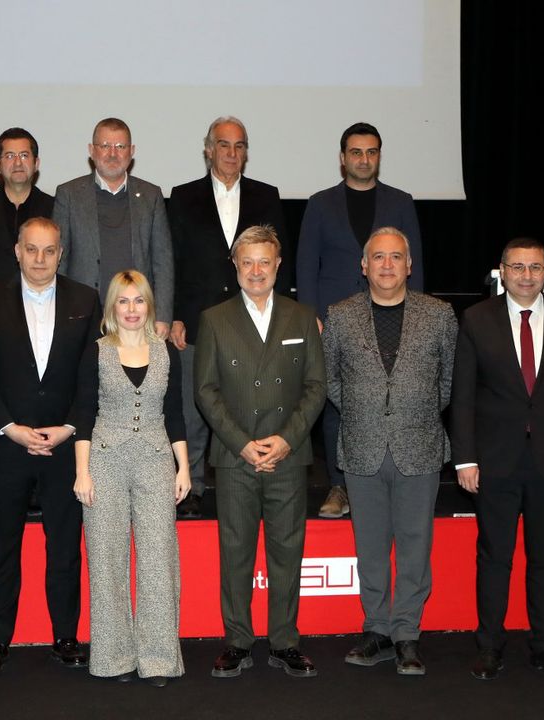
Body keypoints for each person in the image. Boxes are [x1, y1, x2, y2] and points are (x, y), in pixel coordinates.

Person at [452, 237, 544, 681]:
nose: (527, 275)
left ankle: (543, 645)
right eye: (518, 267)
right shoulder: (477, 319)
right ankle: (489, 646)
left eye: (535, 267)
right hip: (494, 460)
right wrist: (464, 459)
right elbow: (463, 395)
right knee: (494, 557)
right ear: (503, 271)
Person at [322, 228, 456, 675]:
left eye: (395, 257)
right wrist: (365, 412)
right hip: (361, 447)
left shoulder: (439, 315)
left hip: (419, 446)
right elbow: (331, 379)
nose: (386, 265)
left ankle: (406, 634)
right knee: (371, 548)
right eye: (378, 257)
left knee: (415, 546)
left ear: (409, 265)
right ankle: (377, 630)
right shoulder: (340, 316)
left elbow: (448, 382)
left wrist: (412, 412)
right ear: (364, 266)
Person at [195, 225, 326, 679]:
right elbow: (205, 390)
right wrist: (243, 444)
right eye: (247, 261)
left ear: (278, 265)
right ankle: (237, 641)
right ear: (235, 265)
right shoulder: (214, 319)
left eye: (264, 262)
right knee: (236, 551)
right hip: (236, 456)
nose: (256, 270)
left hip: (288, 454)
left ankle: (285, 641)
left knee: (288, 551)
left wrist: (286, 439)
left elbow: (316, 386)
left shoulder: (301, 317)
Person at [0, 217, 100, 675]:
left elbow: (91, 376)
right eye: (32, 249)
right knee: (1, 546)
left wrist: (70, 427)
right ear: (17, 251)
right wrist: (9, 427)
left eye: (49, 250)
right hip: (7, 444)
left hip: (66, 447)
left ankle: (65, 636)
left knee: (64, 547)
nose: (40, 259)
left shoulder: (85, 299)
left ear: (61, 253)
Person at [296, 122, 424, 519]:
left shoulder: (401, 202)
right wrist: (312, 317)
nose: (364, 159)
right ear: (343, 158)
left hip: (389, 315)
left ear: (379, 157)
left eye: (371, 152)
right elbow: (306, 264)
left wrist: (416, 317)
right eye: (356, 152)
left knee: (388, 396)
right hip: (334, 320)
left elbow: (415, 263)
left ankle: (389, 476)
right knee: (336, 401)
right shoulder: (320, 203)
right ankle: (339, 485)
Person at [73, 269, 190, 687]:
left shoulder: (166, 352)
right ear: (112, 308)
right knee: (106, 559)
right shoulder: (97, 352)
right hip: (104, 461)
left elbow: (174, 413)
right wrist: (82, 472)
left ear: (149, 305)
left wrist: (183, 467)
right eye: (123, 301)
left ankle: (158, 659)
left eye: (139, 300)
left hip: (156, 461)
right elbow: (83, 413)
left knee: (159, 559)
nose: (131, 309)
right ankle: (113, 657)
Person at [168, 116, 288, 517]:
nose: (231, 153)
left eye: (239, 145)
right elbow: (173, 259)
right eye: (223, 144)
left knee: (249, 401)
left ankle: (253, 480)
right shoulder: (183, 196)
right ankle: (191, 485)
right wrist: (175, 315)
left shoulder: (266, 196)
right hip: (196, 318)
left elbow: (280, 258)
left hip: (252, 317)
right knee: (193, 407)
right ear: (209, 150)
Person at [53, 118, 173, 338]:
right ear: (91, 150)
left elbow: (162, 261)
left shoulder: (151, 195)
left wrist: (163, 316)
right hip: (82, 317)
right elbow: (59, 259)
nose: (112, 154)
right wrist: (60, 313)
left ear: (131, 151)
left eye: (120, 146)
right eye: (105, 146)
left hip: (137, 317)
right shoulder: (69, 195)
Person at [0, 128, 54, 287]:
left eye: (24, 155)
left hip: (42, 297)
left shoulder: (55, 208)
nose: (18, 163)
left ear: (36, 163)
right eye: (9, 156)